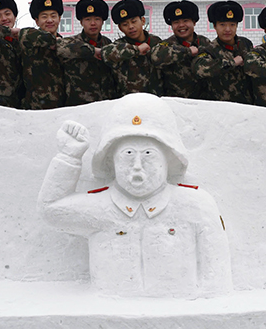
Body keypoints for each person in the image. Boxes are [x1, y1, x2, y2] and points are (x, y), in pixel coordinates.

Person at [37, 94, 232, 297]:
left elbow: (217, 280)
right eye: (128, 154)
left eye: (148, 154)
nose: (137, 166)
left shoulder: (195, 205)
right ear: (112, 161)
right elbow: (51, 210)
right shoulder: (100, 206)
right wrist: (68, 157)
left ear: (169, 159)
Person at [57, 0, 116, 105]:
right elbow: (59, 47)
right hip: (78, 105)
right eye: (88, 19)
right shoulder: (71, 43)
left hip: (105, 104)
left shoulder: (108, 44)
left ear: (103, 21)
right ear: (81, 22)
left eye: (97, 19)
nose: (93, 23)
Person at [193, 0, 253, 103]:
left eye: (232, 25)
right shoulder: (209, 49)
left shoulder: (245, 44)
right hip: (221, 109)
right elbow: (199, 69)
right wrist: (232, 62)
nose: (227, 29)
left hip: (247, 106)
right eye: (222, 25)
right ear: (215, 26)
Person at [101, 0, 162, 96]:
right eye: (125, 24)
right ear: (120, 28)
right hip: (128, 104)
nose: (130, 27)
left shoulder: (155, 41)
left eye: (134, 21)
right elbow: (105, 53)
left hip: (155, 102)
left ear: (142, 21)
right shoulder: (119, 46)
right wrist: (136, 49)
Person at [151, 0, 209, 99]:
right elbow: (156, 57)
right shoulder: (166, 44)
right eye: (176, 22)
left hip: (202, 103)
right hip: (175, 104)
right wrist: (187, 51)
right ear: (171, 26)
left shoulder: (204, 42)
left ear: (194, 22)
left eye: (185, 21)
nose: (181, 25)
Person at [19, 0, 66, 109]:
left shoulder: (67, 46)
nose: (49, 20)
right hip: (34, 107)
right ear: (37, 21)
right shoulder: (29, 41)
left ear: (59, 19)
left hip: (62, 107)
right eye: (44, 16)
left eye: (53, 16)